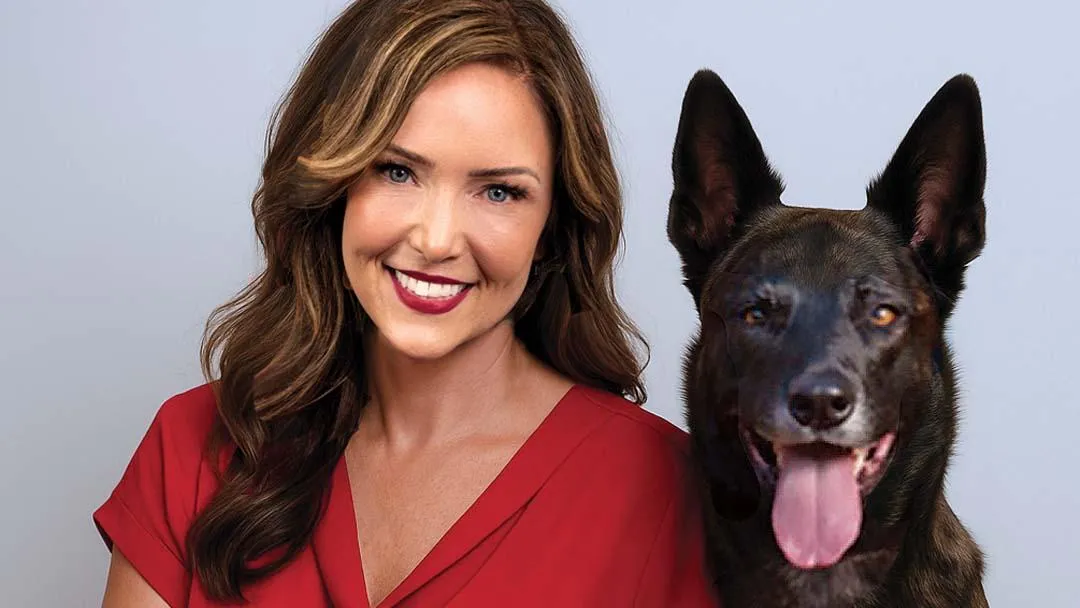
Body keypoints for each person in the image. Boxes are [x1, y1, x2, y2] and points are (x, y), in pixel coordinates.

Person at [95, 0, 718, 606]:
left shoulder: (669, 493)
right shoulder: (193, 447)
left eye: (499, 191)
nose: (436, 240)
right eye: (397, 171)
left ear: (554, 222)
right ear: (331, 184)